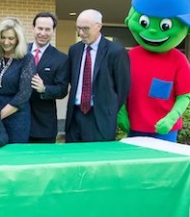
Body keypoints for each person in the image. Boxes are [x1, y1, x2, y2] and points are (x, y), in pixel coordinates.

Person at [65, 9, 130, 142]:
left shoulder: (116, 51)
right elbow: (73, 80)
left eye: (85, 28)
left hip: (100, 118)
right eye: (78, 28)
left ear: (99, 26)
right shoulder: (74, 50)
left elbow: (123, 88)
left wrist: (108, 109)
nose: (81, 33)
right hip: (75, 116)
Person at [0, 17, 35, 143]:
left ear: (18, 39)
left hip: (16, 116)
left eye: (11, 38)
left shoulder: (27, 58)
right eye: (3, 37)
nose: (6, 42)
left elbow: (24, 94)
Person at [28, 12, 70, 143]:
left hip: (43, 125)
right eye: (40, 28)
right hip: (17, 120)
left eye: (47, 29)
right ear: (33, 28)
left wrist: (44, 89)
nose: (43, 33)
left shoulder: (61, 59)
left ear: (53, 31)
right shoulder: (20, 51)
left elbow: (62, 90)